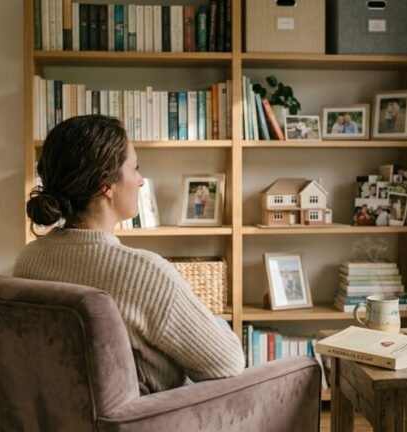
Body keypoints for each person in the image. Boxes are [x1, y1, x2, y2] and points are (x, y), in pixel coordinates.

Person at [14, 115, 244, 394]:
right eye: (135, 168)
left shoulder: (28, 260)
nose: (141, 181)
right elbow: (228, 365)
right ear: (105, 185)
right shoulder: (146, 274)